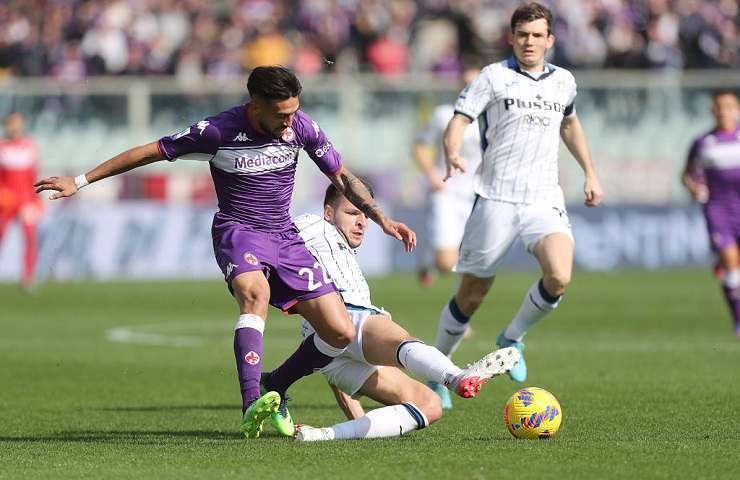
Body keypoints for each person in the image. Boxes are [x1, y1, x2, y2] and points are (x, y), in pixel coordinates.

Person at [34, 65, 416, 439]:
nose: (289, 122)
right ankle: (252, 399)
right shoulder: (217, 130)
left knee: (339, 332)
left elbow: (343, 176)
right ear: (256, 105)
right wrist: (80, 181)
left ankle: (275, 385)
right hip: (240, 231)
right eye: (281, 115)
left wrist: (381, 218)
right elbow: (148, 152)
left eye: (293, 112)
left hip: (284, 235)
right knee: (257, 295)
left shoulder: (301, 127)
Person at [429, 2, 604, 408]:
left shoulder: (564, 82)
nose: (529, 41)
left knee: (559, 275)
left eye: (537, 35)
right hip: (495, 197)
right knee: (471, 295)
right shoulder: (493, 77)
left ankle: (513, 337)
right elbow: (458, 120)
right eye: (523, 34)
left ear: (550, 40)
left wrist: (591, 173)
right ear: (512, 37)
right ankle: (438, 372)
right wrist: (452, 151)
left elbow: (570, 124)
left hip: (544, 197)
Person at [261, 181, 519, 441]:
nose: (361, 222)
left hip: (330, 352)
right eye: (352, 213)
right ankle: (456, 377)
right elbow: (268, 237)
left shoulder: (338, 252)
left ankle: (321, 436)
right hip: (350, 317)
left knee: (429, 405)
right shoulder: (312, 224)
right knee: (399, 339)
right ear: (328, 212)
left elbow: (329, 344)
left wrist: (355, 416)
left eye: (365, 214)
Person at [412, 67, 482, 287]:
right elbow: (420, 146)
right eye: (465, 84)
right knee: (446, 263)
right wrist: (432, 175)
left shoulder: (490, 118)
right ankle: (430, 258)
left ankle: (460, 310)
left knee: (475, 260)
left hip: (478, 194)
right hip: (447, 192)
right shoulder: (444, 115)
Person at [682, 90, 740, 336]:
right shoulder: (703, 143)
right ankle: (738, 320)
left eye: (728, 106)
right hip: (718, 211)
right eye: (719, 106)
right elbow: (686, 174)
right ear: (713, 111)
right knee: (732, 266)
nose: (724, 110)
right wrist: (694, 187)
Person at [0, 112, 43, 290]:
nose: (14, 127)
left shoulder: (30, 146)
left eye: (17, 123)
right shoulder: (2, 146)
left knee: (30, 237)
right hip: (5, 199)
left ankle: (29, 276)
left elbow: (33, 175)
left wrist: (36, 200)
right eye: (11, 123)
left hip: (26, 200)